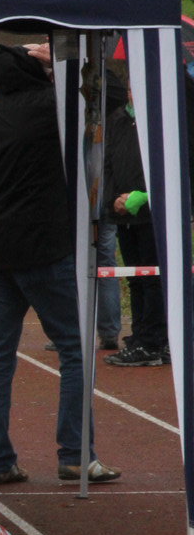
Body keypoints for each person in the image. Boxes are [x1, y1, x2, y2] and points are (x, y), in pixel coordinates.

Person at [0, 43, 120, 485]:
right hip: (47, 247)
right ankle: (75, 453)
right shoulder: (53, 106)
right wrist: (59, 64)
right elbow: (110, 95)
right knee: (75, 351)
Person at [102, 85, 168, 366]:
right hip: (122, 214)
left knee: (152, 279)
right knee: (135, 278)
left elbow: (166, 164)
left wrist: (143, 195)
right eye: (130, 87)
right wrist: (112, 200)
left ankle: (153, 341)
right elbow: (107, 163)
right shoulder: (117, 120)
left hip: (151, 214)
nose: (133, 93)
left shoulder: (160, 120)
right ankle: (141, 337)